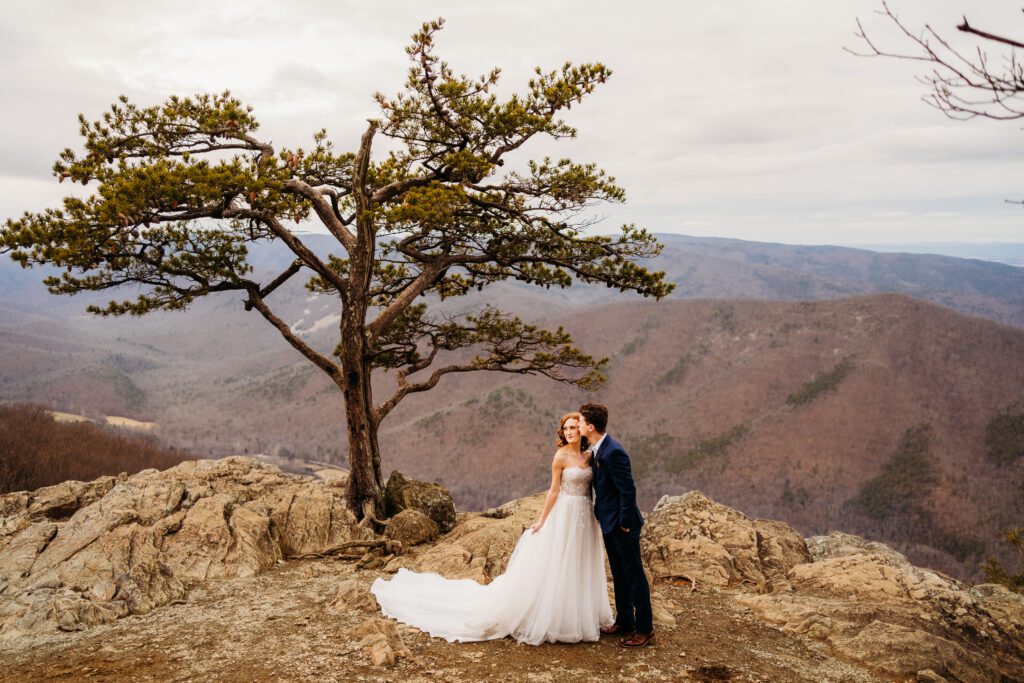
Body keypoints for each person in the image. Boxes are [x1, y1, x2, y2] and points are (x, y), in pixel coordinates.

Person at [369, 412, 613, 645]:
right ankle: (558, 619)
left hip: (584, 514)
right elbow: (553, 491)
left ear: (582, 429)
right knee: (560, 561)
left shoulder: (590, 456)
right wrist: (542, 520)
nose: (570, 431)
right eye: (566, 428)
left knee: (578, 562)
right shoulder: (560, 456)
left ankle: (579, 614)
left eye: (574, 427)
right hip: (565, 513)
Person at [578, 402, 655, 648]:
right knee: (620, 574)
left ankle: (645, 629)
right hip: (609, 523)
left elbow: (628, 490)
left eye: (580, 422)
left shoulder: (614, 452)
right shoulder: (598, 450)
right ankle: (624, 620)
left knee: (634, 576)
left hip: (623, 526)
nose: (578, 425)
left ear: (590, 427)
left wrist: (624, 522)